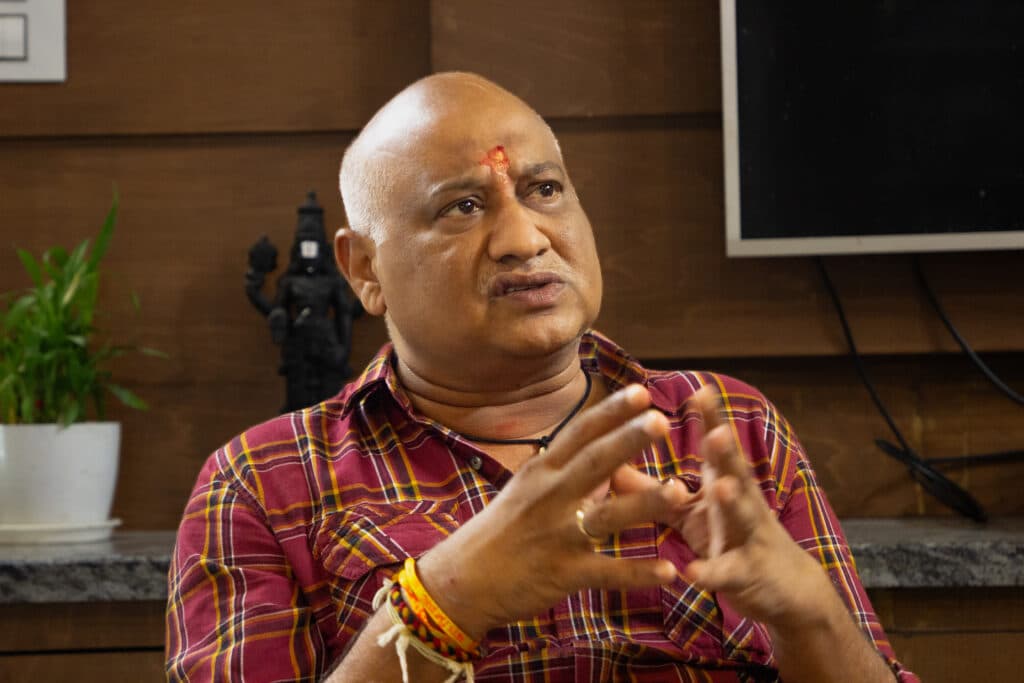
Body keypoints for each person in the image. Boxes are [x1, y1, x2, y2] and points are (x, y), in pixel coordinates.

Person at [166, 72, 918, 682]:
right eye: (463, 206)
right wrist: (445, 601)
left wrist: (808, 613)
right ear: (364, 268)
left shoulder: (723, 427)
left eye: (544, 190)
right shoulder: (265, 483)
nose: (524, 238)